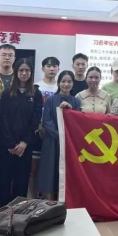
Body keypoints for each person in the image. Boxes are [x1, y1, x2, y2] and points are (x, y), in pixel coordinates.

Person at [0, 59, 42, 209]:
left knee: (21, 183)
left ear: (31, 73)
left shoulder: (36, 94)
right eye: (21, 70)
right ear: (16, 72)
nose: (24, 73)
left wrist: (24, 142)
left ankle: (18, 215)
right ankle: (1, 214)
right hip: (6, 147)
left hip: (25, 147)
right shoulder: (6, 93)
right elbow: (2, 119)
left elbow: (35, 120)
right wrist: (10, 144)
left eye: (27, 70)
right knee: (3, 182)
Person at [38, 71, 81, 200]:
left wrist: (70, 111)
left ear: (73, 84)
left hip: (69, 142)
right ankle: (49, 202)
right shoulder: (51, 100)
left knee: (66, 172)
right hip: (52, 141)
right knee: (49, 171)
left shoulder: (76, 101)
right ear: (59, 83)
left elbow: (77, 121)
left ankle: (64, 203)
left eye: (69, 81)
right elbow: (46, 121)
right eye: (63, 81)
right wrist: (59, 135)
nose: (66, 84)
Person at [32, 57, 60, 197]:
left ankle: (49, 198)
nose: (52, 69)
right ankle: (33, 199)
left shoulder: (60, 87)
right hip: (38, 131)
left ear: (58, 69)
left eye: (54, 66)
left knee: (52, 167)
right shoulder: (36, 86)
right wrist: (38, 125)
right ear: (42, 69)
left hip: (53, 133)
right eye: (48, 66)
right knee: (34, 168)